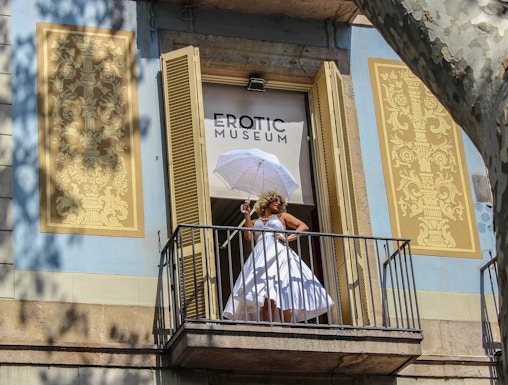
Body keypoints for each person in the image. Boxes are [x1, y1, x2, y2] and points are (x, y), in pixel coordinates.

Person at [223, 190, 334, 324]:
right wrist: (246, 214)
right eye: (275, 200)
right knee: (265, 297)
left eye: (280, 201)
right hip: (260, 258)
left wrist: (288, 238)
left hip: (279, 254)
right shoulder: (254, 222)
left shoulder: (283, 217)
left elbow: (303, 227)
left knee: (283, 292)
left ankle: (287, 330)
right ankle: (269, 329)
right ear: (267, 201)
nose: (278, 203)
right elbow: (248, 236)